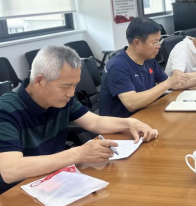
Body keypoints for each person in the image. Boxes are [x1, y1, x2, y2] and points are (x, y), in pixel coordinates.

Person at [0, 46, 158, 194]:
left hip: (52, 180)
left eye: (74, 85)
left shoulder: (61, 100)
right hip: (15, 192)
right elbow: (11, 170)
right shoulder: (6, 110)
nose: (71, 93)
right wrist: (78, 153)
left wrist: (129, 123)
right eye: (65, 86)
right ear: (39, 81)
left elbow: (94, 122)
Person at [100, 18, 189, 118]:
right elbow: (131, 104)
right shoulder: (117, 66)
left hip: (145, 113)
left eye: (159, 41)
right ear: (137, 43)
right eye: (155, 42)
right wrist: (168, 83)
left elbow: (173, 83)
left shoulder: (148, 58)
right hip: (120, 122)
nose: (159, 46)